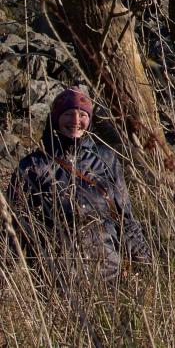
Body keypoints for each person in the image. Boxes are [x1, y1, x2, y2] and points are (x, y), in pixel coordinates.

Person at [5, 87, 151, 283]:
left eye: (82, 115)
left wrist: (146, 264)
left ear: (89, 120)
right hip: (56, 284)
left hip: (109, 279)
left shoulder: (107, 159)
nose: (76, 121)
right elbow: (12, 229)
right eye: (68, 114)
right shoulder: (33, 167)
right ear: (55, 118)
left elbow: (126, 219)